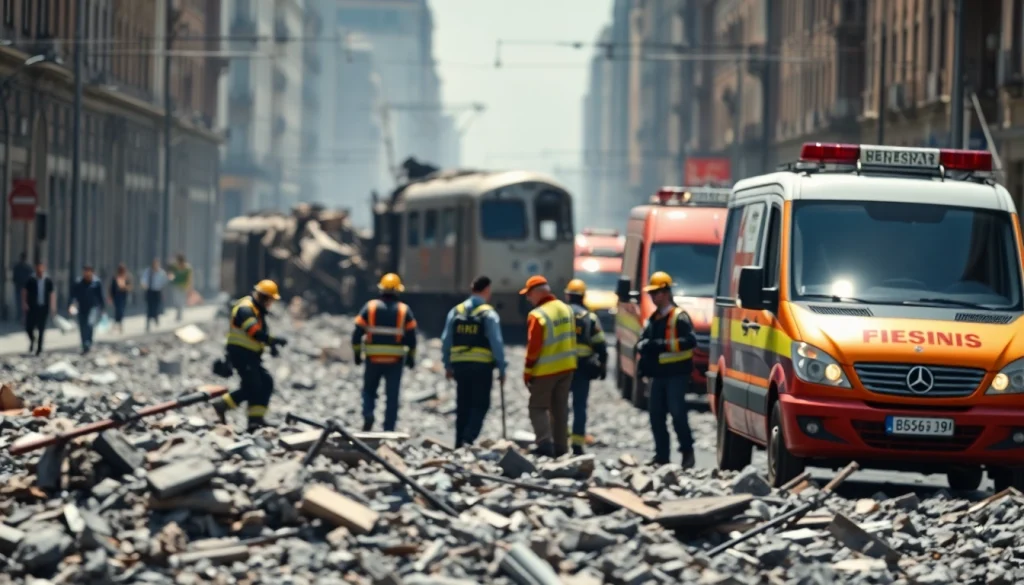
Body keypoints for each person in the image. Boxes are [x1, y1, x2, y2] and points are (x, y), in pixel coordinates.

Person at [635, 272, 697, 467]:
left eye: (657, 292)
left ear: (667, 292)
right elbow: (645, 343)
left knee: (677, 414)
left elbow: (690, 342)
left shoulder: (679, 317)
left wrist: (661, 345)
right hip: (658, 375)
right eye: (652, 293)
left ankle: (687, 452)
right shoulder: (653, 318)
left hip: (676, 374)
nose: (653, 297)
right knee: (656, 416)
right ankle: (661, 456)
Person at [441, 275, 507, 448]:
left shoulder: (456, 311)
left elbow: (446, 339)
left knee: (462, 403)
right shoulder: (488, 314)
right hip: (482, 366)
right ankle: (469, 438)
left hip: (460, 365)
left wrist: (447, 364)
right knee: (481, 404)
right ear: (486, 290)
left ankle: (458, 442)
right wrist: (502, 367)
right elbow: (496, 342)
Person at [213, 280, 288, 431]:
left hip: (250, 355)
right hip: (240, 354)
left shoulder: (256, 309)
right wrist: (273, 340)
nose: (270, 304)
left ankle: (256, 420)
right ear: (264, 298)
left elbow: (259, 335)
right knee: (253, 385)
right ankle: (222, 404)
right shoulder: (245, 308)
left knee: (266, 382)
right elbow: (253, 332)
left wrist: (270, 345)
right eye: (270, 300)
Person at [352, 273, 418, 432]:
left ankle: (368, 414)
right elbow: (412, 337)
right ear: (398, 291)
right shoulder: (404, 310)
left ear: (381, 289)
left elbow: (356, 334)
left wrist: (357, 354)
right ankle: (389, 428)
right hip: (394, 361)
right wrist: (411, 357)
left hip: (373, 359)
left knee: (369, 391)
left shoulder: (370, 307)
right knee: (392, 396)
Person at [521, 275, 577, 457]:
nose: (528, 299)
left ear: (537, 293)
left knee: (537, 407)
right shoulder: (566, 308)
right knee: (560, 408)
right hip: (567, 367)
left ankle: (544, 443)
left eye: (529, 294)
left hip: (546, 370)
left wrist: (528, 372)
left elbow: (534, 348)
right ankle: (561, 447)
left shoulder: (538, 315)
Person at [563, 279, 608, 455]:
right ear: (583, 296)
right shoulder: (590, 318)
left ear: (568, 295)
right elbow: (600, 344)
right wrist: (603, 364)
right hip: (582, 367)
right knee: (579, 406)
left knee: (561, 404)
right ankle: (577, 442)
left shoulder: (561, 316)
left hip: (562, 366)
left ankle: (560, 437)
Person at [69, 265, 105, 354]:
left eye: (89, 271)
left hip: (93, 307)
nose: (87, 273)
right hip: (81, 308)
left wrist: (102, 308)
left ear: (92, 272)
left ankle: (88, 342)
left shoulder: (96, 282)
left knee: (89, 324)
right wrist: (72, 305)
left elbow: (100, 297)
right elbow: (73, 295)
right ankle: (84, 345)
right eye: (85, 271)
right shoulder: (79, 283)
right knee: (82, 326)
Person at [22, 261, 54, 355]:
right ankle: (32, 341)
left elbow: (52, 294)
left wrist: (53, 307)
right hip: (32, 307)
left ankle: (39, 349)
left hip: (43, 307)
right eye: (38, 268)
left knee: (41, 328)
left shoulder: (47, 280)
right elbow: (24, 291)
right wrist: (24, 303)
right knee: (29, 327)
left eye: (41, 267)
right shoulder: (31, 279)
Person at [141, 258, 169, 332]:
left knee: (156, 307)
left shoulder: (161, 272)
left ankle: (156, 318)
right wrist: (144, 284)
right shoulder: (148, 271)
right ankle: (148, 323)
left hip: (157, 291)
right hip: (150, 291)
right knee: (149, 307)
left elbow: (165, 281)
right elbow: (144, 279)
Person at [168, 254, 193, 322]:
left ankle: (179, 316)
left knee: (181, 301)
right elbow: (170, 272)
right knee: (176, 301)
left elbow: (189, 278)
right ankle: (178, 314)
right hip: (176, 285)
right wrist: (171, 277)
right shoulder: (175, 266)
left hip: (183, 286)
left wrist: (189, 287)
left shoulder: (187, 268)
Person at [110, 263, 132, 334]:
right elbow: (112, 288)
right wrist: (110, 297)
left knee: (121, 310)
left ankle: (118, 324)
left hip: (123, 296)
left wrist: (124, 287)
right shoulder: (115, 277)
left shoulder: (127, 277)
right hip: (117, 296)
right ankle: (118, 324)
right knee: (118, 310)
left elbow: (129, 287)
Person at [12, 253, 31, 322]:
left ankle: (20, 317)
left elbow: (14, 278)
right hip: (23, 288)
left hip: (20, 287)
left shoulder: (17, 267)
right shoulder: (27, 268)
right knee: (23, 303)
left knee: (20, 303)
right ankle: (22, 317)